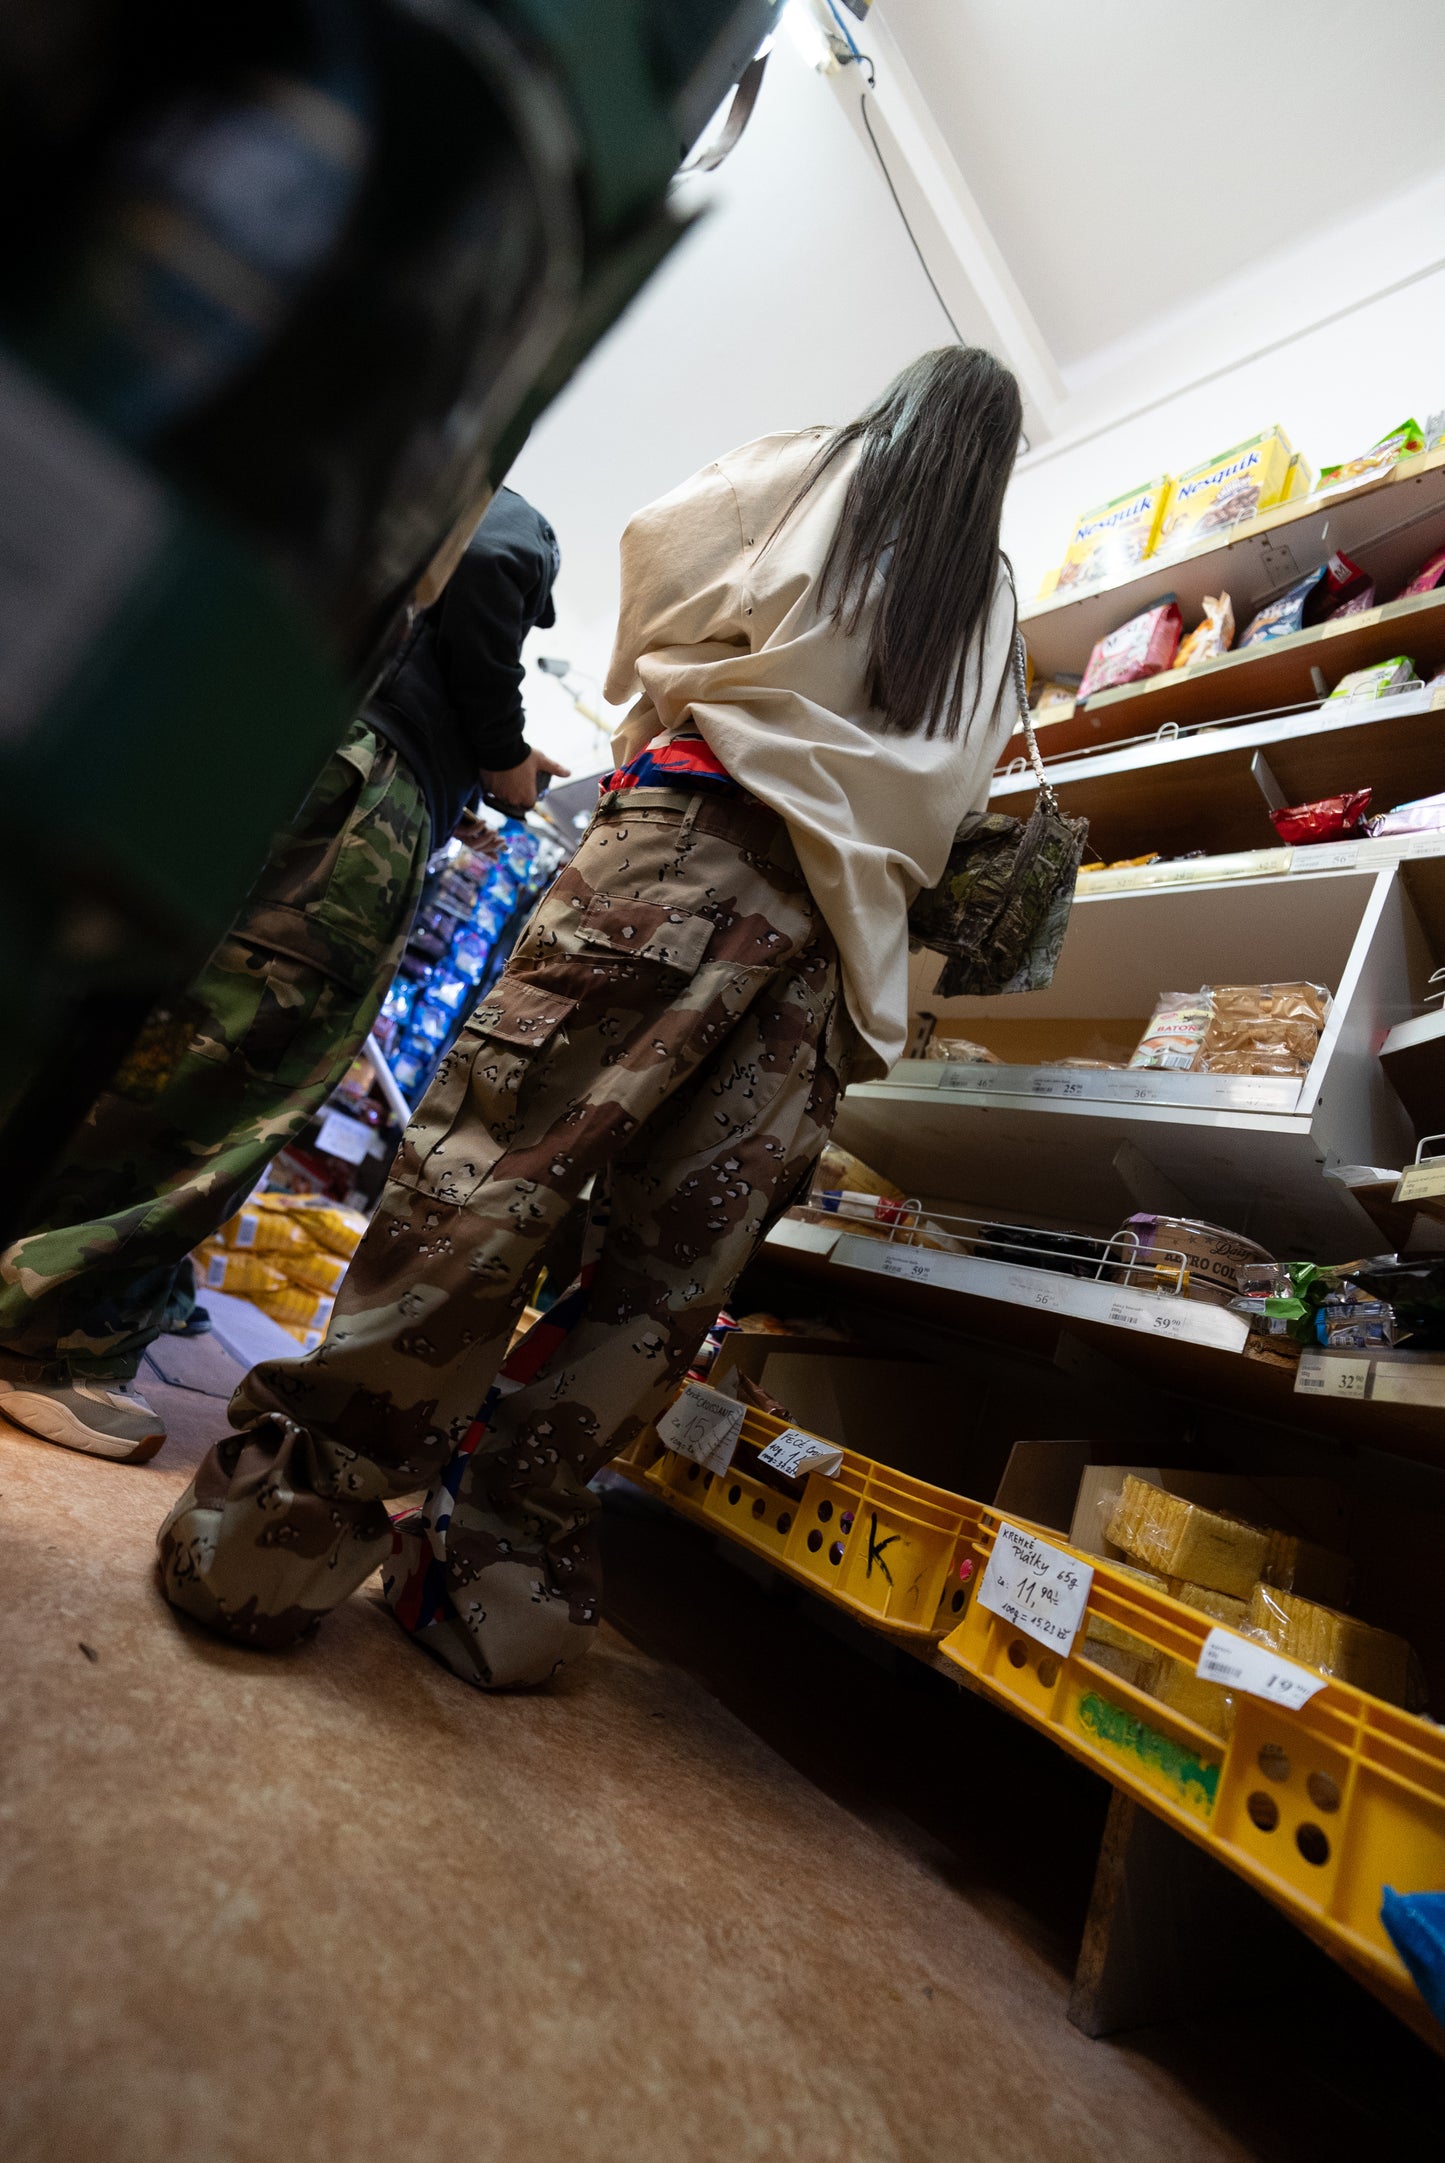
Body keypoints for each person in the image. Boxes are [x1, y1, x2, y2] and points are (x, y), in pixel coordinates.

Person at [158, 346, 1022, 1687]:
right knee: (660, 1285)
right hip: (833, 962)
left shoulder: (813, 471)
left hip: (684, 856)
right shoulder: (995, 604)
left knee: (489, 1177)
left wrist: (673, 690)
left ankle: (271, 1543)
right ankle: (493, 1590)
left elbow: (657, 556)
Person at [0, 489, 563, 1464]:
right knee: (235, 1062)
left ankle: (66, 1292)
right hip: (355, 803)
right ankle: (45, 1336)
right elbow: (490, 554)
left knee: (158, 1023)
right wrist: (502, 753)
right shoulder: (506, 510)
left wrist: (456, 775)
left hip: (292, 747)